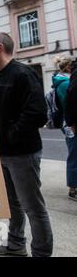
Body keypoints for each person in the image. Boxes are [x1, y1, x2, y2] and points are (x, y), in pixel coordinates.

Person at [0, 32, 53, 257]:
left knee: (33, 207)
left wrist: (11, 136)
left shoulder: (23, 74)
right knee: (12, 204)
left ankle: (41, 253)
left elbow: (38, 113)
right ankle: (15, 245)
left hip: (22, 154)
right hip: (2, 153)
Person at [64, 57, 77, 201]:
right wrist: (72, 123)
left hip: (72, 122)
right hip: (73, 124)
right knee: (74, 155)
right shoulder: (67, 81)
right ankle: (73, 188)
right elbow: (70, 100)